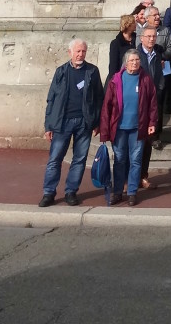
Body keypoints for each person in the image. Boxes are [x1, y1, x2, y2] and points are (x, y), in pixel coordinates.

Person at [38, 39, 104, 208]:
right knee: (55, 159)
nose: (80, 54)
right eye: (77, 51)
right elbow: (51, 99)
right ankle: (49, 192)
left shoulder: (92, 71)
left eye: (83, 51)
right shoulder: (61, 71)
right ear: (70, 53)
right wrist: (48, 125)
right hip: (62, 122)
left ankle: (71, 191)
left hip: (84, 122)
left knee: (79, 159)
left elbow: (98, 98)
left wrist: (96, 122)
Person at [100, 49, 157, 207]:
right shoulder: (116, 79)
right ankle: (118, 192)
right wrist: (104, 130)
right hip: (119, 129)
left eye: (137, 60)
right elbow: (107, 106)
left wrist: (152, 123)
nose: (135, 63)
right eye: (132, 60)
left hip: (138, 128)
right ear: (126, 62)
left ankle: (132, 192)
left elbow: (152, 103)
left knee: (136, 161)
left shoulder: (145, 79)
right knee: (119, 160)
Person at [136, 24, 165, 187]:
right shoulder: (135, 55)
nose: (152, 39)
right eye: (148, 36)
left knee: (148, 143)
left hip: (152, 104)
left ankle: (143, 175)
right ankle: (130, 177)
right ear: (141, 38)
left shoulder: (156, 54)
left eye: (154, 36)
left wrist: (159, 91)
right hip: (138, 104)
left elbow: (161, 77)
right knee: (135, 144)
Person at [108, 14, 136, 79]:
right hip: (121, 76)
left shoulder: (137, 39)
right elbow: (113, 65)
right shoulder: (116, 43)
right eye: (133, 23)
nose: (135, 24)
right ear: (128, 25)